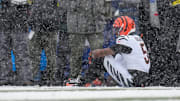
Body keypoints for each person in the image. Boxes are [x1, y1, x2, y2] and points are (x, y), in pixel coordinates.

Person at [89, 16, 151, 87]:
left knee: (104, 57)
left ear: (125, 27)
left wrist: (96, 53)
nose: (116, 32)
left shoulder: (125, 39)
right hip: (142, 78)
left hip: (133, 79)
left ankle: (85, 81)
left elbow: (112, 50)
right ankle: (105, 80)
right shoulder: (137, 38)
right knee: (118, 57)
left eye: (118, 29)